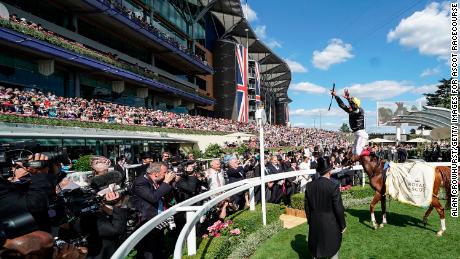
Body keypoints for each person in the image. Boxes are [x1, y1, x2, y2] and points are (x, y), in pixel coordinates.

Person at [304, 156, 346, 259]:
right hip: (330, 222)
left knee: (316, 251)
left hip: (315, 222)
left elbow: (307, 207)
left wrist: (310, 220)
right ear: (330, 171)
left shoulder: (309, 186)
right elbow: (338, 208)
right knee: (332, 251)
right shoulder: (333, 185)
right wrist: (342, 225)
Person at [331, 89, 368, 162]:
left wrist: (348, 98)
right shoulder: (351, 111)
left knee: (357, 152)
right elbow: (342, 105)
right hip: (357, 134)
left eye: (351, 104)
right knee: (354, 152)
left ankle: (370, 151)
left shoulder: (360, 110)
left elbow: (354, 107)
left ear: (355, 104)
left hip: (361, 134)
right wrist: (336, 96)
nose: (348, 105)